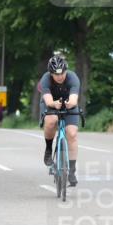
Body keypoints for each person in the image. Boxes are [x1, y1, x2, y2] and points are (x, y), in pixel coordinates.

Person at [39, 54, 81, 186]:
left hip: (69, 104)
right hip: (51, 103)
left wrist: (70, 103)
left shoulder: (72, 78)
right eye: (56, 74)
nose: (60, 77)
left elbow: (74, 98)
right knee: (51, 121)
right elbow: (48, 100)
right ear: (50, 73)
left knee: (72, 134)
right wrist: (54, 104)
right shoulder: (45, 79)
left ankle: (72, 171)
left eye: (62, 73)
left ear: (66, 71)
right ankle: (48, 149)